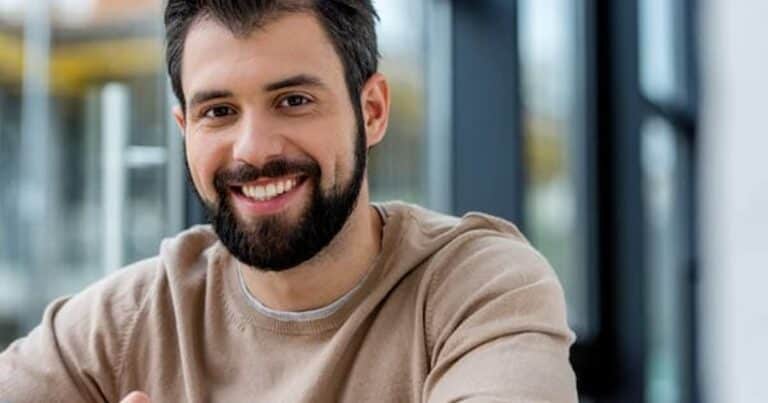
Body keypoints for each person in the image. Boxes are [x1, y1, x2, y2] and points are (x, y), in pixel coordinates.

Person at [0, 1, 577, 402]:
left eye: (294, 100)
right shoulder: (132, 319)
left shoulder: (477, 289)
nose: (253, 150)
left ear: (371, 110)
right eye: (218, 112)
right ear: (185, 128)